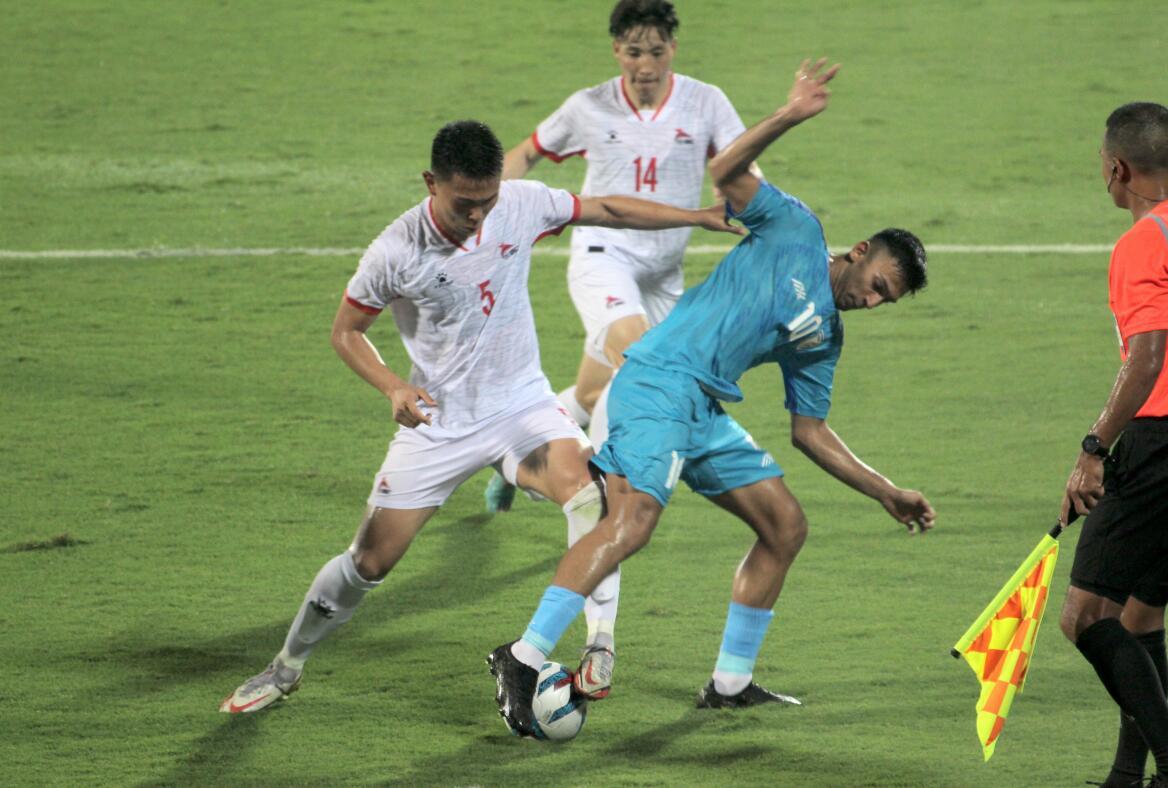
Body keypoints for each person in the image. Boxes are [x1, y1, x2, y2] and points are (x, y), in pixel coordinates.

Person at [218, 119, 739, 714]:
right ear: (430, 183)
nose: (478, 217)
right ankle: (286, 667)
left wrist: (695, 216)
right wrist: (392, 386)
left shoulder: (518, 204)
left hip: (522, 405)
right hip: (440, 422)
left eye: (487, 201)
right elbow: (347, 332)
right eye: (465, 204)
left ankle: (600, 644)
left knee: (594, 497)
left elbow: (606, 209)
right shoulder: (395, 252)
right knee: (369, 561)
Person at [487, 60, 937, 738]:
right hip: (658, 380)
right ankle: (522, 657)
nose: (871, 301)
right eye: (876, 283)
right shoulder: (794, 229)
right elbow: (726, 172)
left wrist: (886, 490)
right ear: (859, 250)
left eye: (885, 300)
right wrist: (789, 114)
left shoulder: (825, 339)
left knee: (785, 525)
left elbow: (810, 430)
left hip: (701, 410)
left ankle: (730, 683)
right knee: (633, 520)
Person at [488, 0, 755, 488]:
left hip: (665, 272)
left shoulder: (706, 102)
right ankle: (609, 490)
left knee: (593, 395)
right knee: (647, 362)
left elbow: (744, 167)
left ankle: (518, 457)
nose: (646, 66)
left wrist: (739, 192)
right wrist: (487, 205)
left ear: (674, 48)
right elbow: (527, 152)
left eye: (656, 51)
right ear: (616, 51)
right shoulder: (589, 106)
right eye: (634, 52)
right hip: (603, 257)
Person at [1057, 102, 1168, 787]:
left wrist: (1093, 448)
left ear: (1116, 168)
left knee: (1083, 616)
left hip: (1163, 444)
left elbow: (1146, 359)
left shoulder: (1143, 242)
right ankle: (1128, 775)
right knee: (1142, 609)